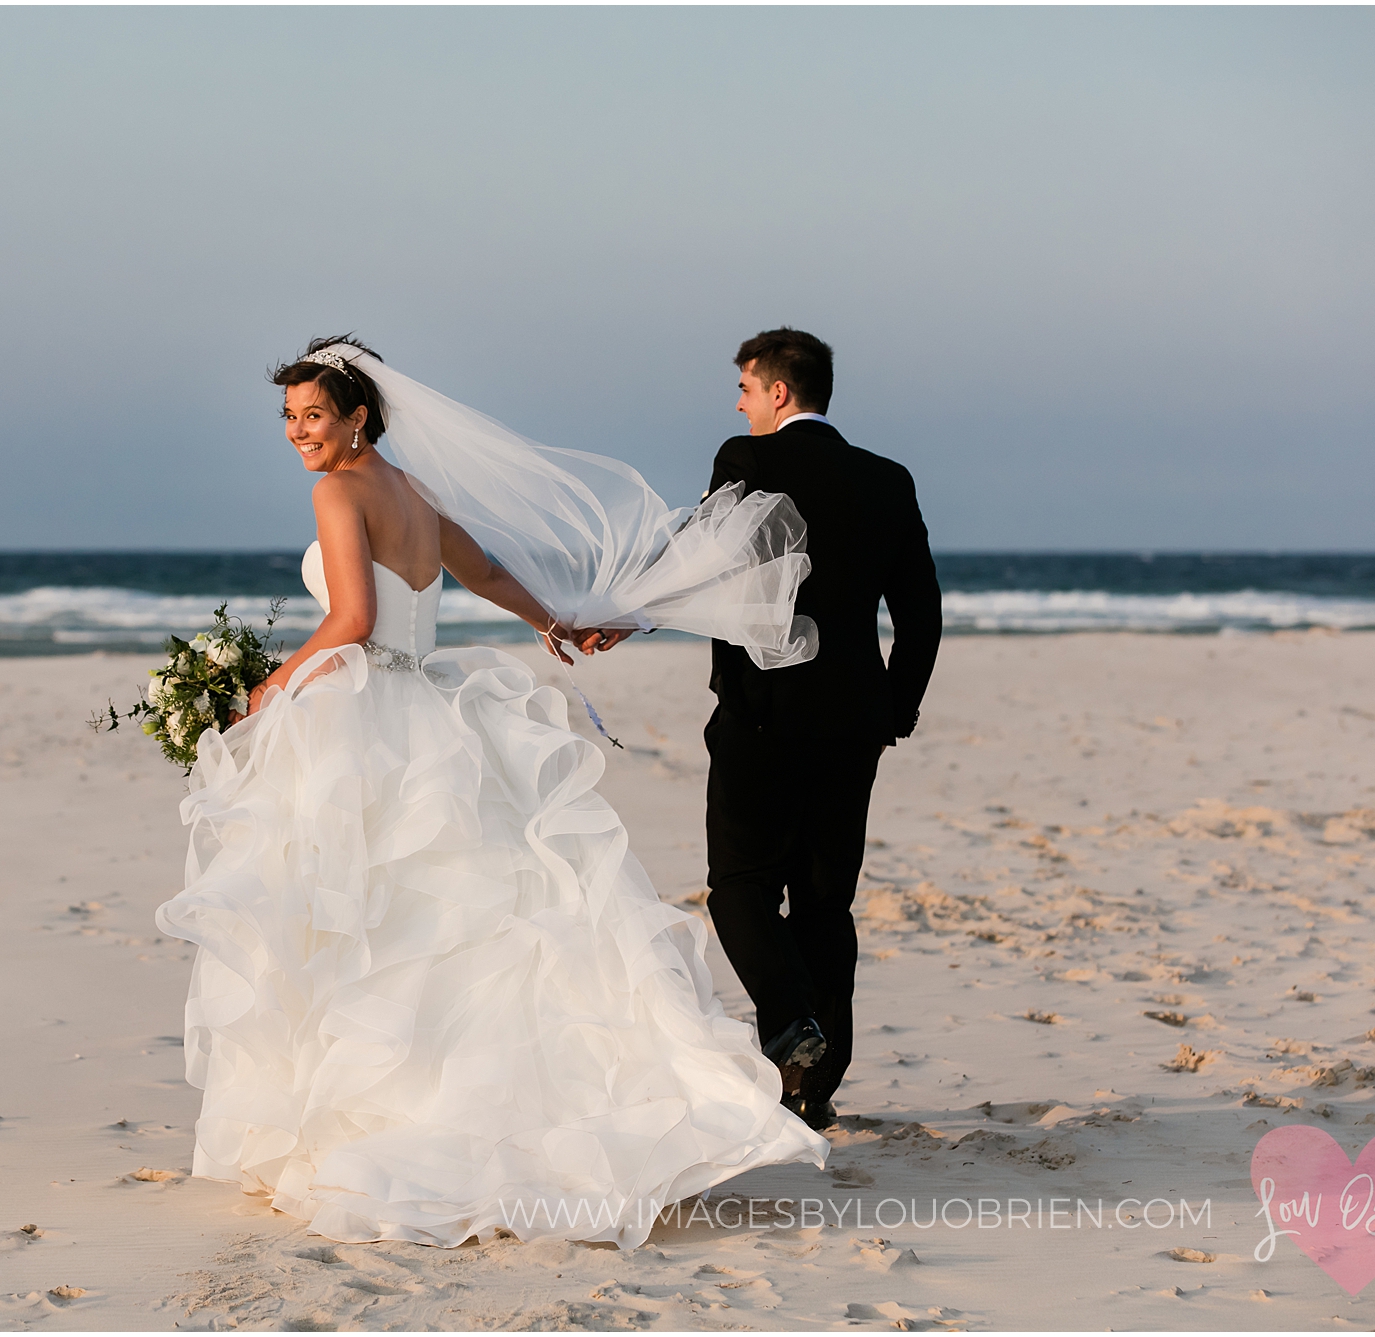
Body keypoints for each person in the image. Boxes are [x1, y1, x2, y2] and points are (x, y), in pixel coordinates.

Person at [152, 336, 826, 1250]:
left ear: (358, 416)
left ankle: (391, 1128)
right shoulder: (417, 494)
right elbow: (486, 572)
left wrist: (270, 689)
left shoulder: (339, 491)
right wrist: (555, 621)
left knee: (375, 918)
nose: (298, 434)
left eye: (314, 416)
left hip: (371, 710)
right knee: (474, 912)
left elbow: (350, 620)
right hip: (434, 705)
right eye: (288, 418)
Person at [699, 328, 942, 1129]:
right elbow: (921, 615)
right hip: (851, 726)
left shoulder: (748, 460)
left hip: (760, 717)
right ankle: (817, 1085)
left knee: (739, 886)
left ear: (777, 392)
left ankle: (788, 1019)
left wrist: (618, 616)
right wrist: (892, 710)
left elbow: (700, 570)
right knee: (824, 903)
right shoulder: (887, 479)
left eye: (744, 387)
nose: (738, 403)